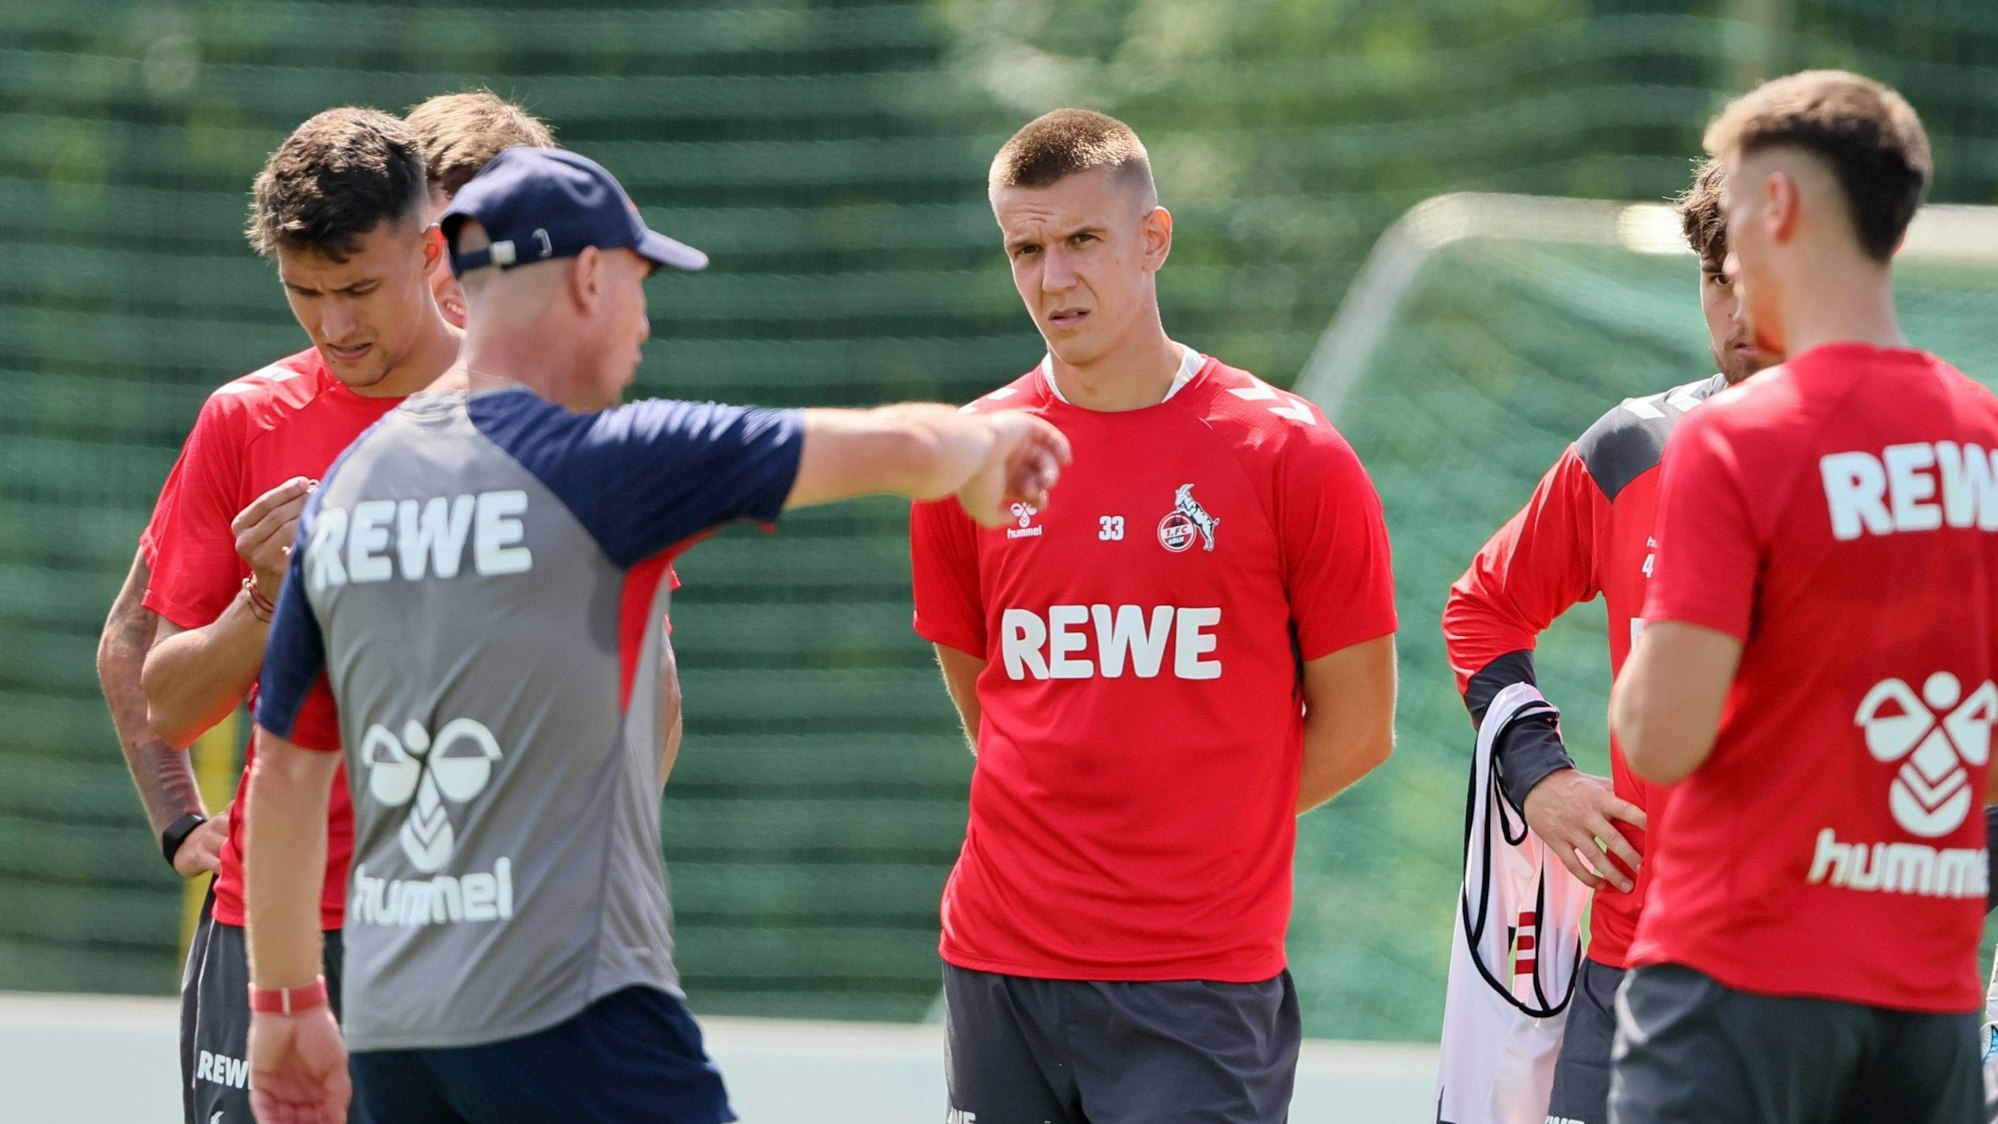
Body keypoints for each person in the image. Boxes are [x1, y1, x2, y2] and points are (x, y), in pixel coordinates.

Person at [240, 145, 1072, 1124]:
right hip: (574, 1009)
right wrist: (988, 448)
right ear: (591, 277)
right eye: (639, 285)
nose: (641, 325)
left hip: (395, 1025)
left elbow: (286, 768)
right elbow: (892, 444)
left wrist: (284, 1002)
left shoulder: (352, 487)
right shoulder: (604, 463)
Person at [907, 108, 1398, 1123]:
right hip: (999, 963)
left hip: (1198, 976)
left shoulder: (1290, 454)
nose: (1053, 279)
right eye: (1025, 249)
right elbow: (991, 703)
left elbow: (1359, 728)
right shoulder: (971, 455)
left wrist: (1195, 834)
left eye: (1082, 240)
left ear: (1153, 240)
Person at [1611, 69, 1997, 1123]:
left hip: (1739, 981)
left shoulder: (1739, 440)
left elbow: (1661, 737)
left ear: (1777, 208)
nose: (1728, 257)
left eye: (1730, 217)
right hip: (1928, 992)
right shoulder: (1987, 439)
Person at [124, 102, 521, 1124]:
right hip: (271, 929)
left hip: (471, 927)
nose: (335, 326)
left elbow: (636, 687)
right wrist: (266, 600)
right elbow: (163, 696)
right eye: (305, 294)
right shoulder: (246, 417)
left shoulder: (533, 416)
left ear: (430, 248)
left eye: (359, 289)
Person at [1438, 158, 1774, 1124]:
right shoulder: (1635, 448)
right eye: (1718, 277)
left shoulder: (1931, 461)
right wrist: (1540, 774)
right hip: (1638, 967)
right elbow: (1483, 607)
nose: (1739, 307)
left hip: (1840, 978)